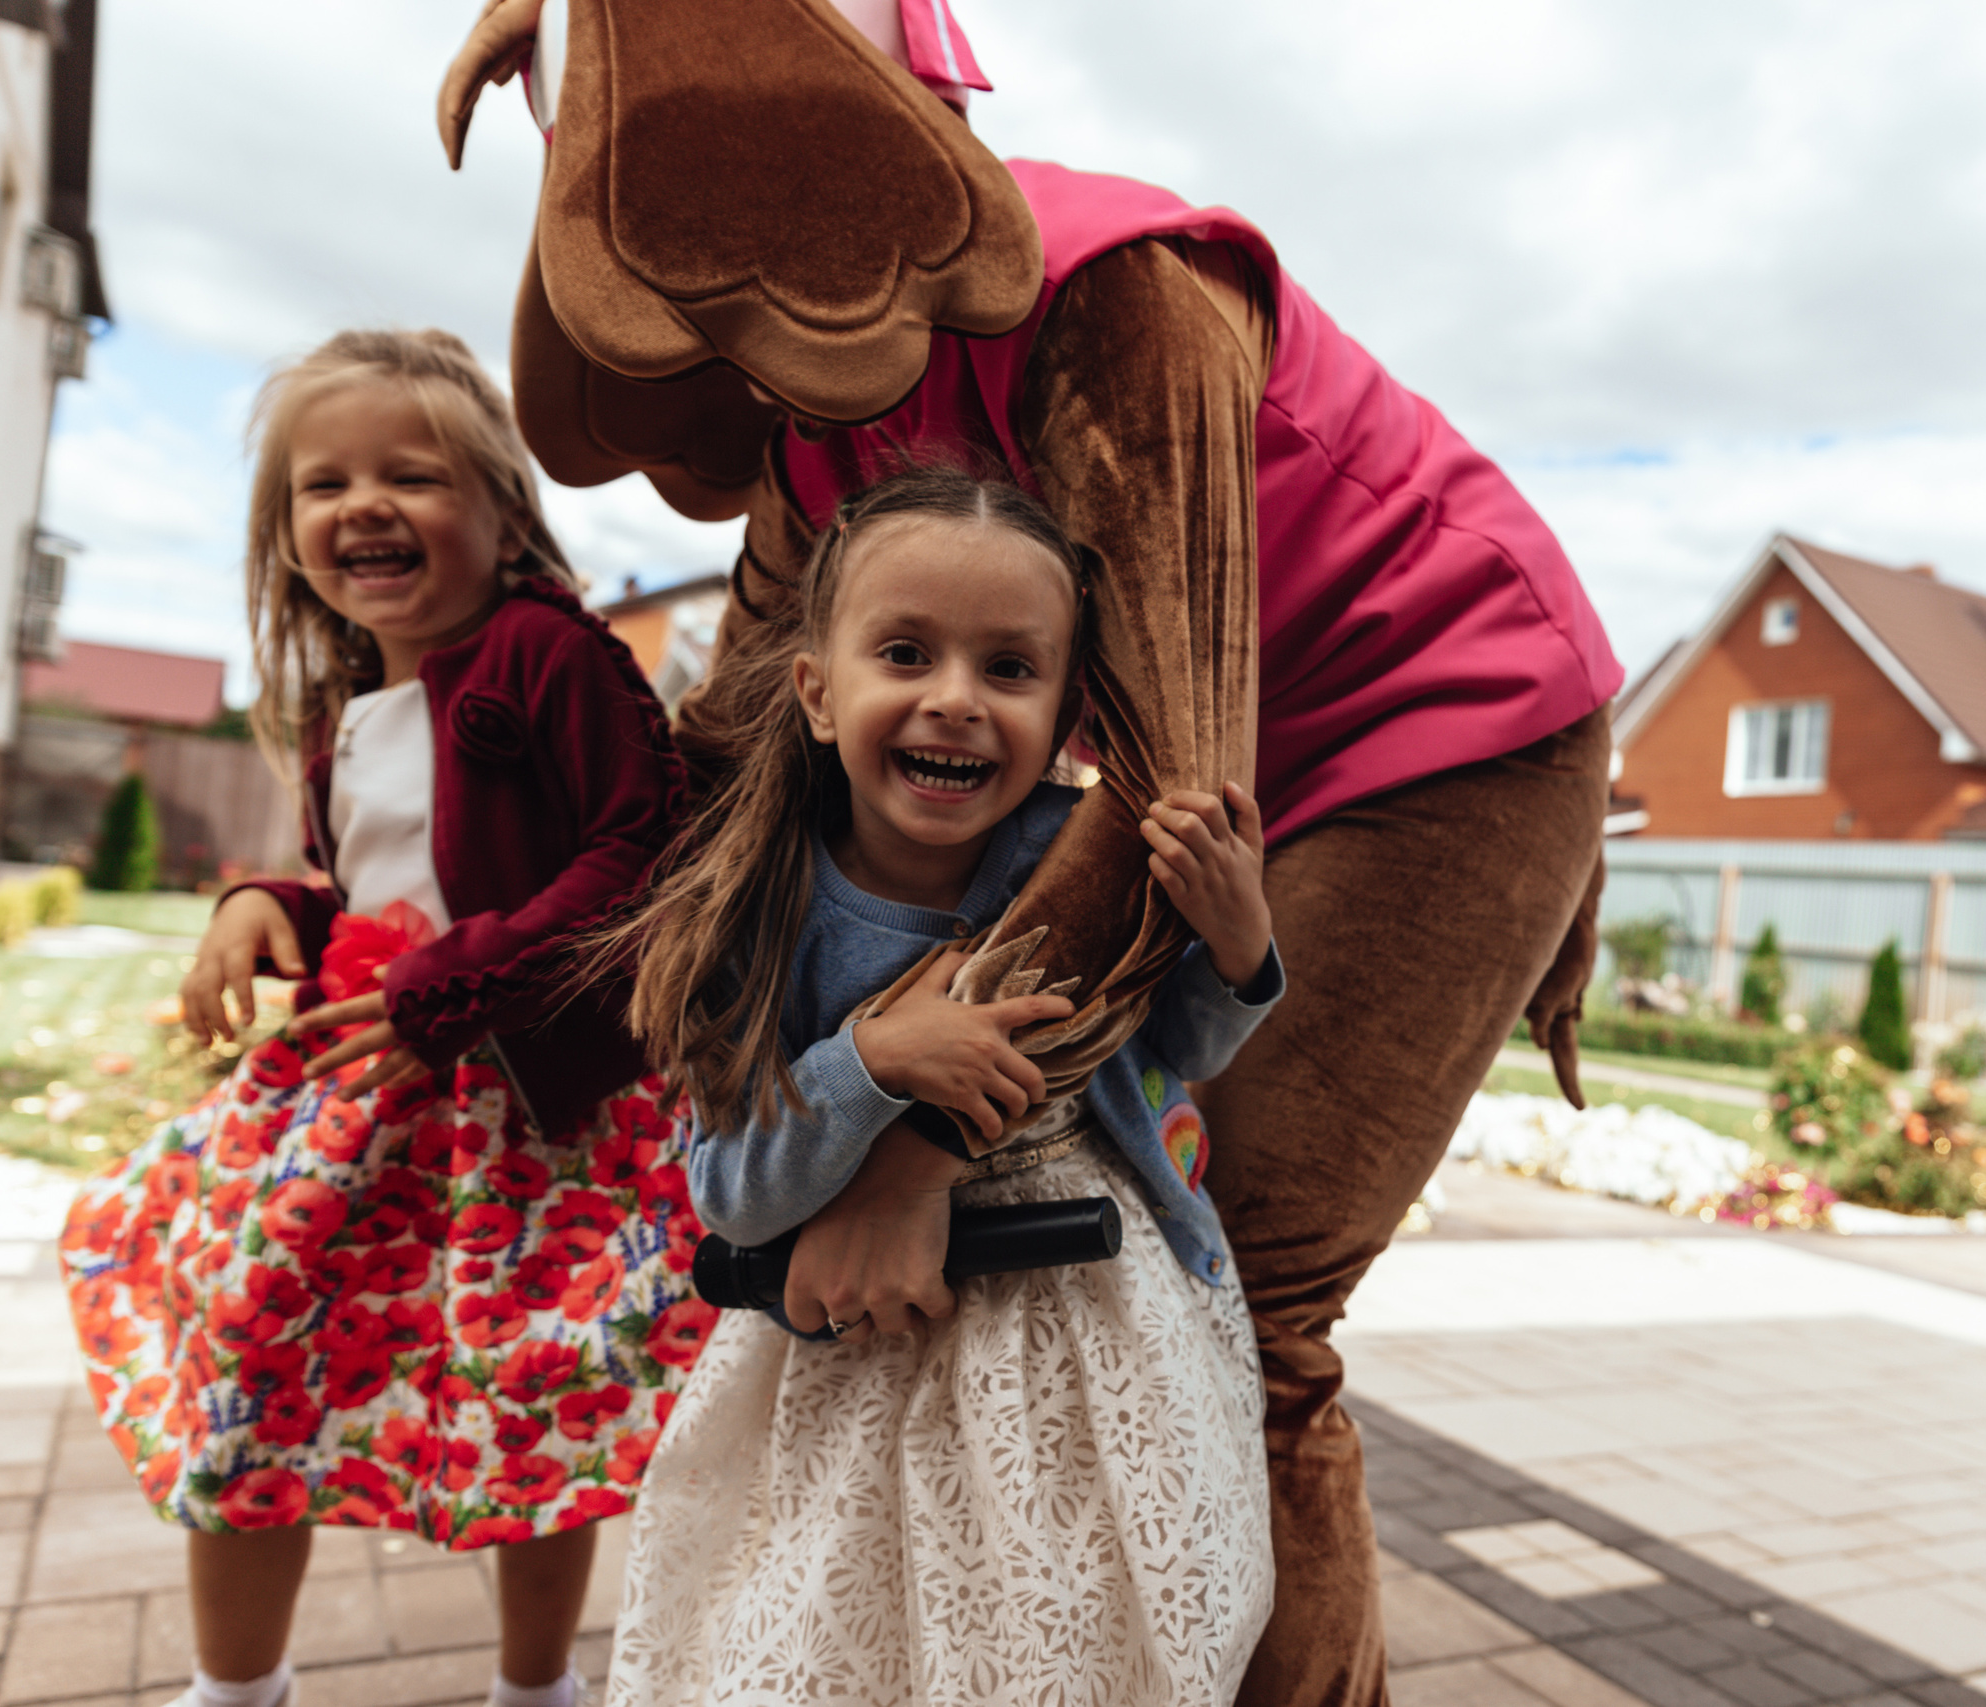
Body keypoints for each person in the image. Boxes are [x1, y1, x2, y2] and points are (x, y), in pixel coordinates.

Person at [440, 4, 1620, 1696]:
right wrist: (510, 947)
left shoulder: (1115, 298)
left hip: (1433, 725)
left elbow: (1171, 784)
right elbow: (727, 754)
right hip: (1199, 767)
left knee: (1259, 1306)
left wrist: (909, 1154)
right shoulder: (812, 409)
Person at [58, 329, 709, 1707]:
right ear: (284, 530)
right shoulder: (347, 699)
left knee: (531, 1402)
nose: (365, 505)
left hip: (522, 1117)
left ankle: (536, 1687)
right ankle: (238, 1687)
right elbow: (380, 887)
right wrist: (267, 903)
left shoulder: (548, 653)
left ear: (503, 515)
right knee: (249, 1362)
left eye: (412, 476)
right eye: (325, 483)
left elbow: (639, 850)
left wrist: (457, 986)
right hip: (359, 1102)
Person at [603, 466, 1282, 1706]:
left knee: (1074, 1628)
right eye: (906, 653)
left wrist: (1237, 950)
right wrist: (866, 1062)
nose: (956, 700)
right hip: (865, 1352)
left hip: (1086, 1322)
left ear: (1067, 711)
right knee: (844, 1634)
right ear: (819, 691)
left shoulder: (1090, 862)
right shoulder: (763, 910)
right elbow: (733, 1193)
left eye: (1009, 668)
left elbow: (1170, 1052)